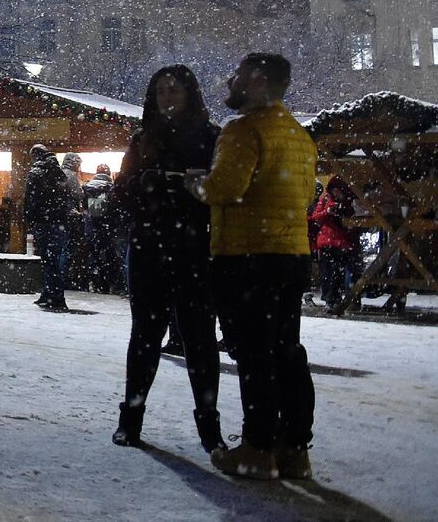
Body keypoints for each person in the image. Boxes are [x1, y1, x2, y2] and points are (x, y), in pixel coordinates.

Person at [195, 53, 317, 481]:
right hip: (291, 255)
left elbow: (226, 188)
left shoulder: (243, 130)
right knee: (287, 353)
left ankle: (256, 449)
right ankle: (294, 449)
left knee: (253, 355)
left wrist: (197, 184)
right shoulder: (298, 134)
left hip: (247, 256)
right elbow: (304, 198)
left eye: (239, 76)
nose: (230, 81)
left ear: (259, 81)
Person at [110, 64, 224, 453]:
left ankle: (210, 426)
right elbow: (119, 195)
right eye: (161, 91)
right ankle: (131, 418)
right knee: (144, 335)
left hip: (196, 250)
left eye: (174, 90)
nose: (167, 98)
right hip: (149, 249)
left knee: (200, 339)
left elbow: (227, 193)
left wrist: (201, 190)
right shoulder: (143, 140)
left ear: (191, 94)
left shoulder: (212, 138)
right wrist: (147, 183)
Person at [26, 146, 78, 311]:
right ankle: (50, 294)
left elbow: (30, 198)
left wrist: (29, 217)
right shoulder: (58, 172)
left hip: (43, 220)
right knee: (53, 259)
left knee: (48, 260)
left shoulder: (36, 172)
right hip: (58, 221)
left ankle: (55, 296)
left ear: (35, 156)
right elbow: (67, 195)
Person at [310, 177, 362, 311]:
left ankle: (337, 298)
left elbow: (353, 220)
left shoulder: (349, 201)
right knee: (329, 272)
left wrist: (343, 213)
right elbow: (315, 217)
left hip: (342, 243)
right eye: (334, 190)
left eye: (338, 190)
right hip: (328, 242)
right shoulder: (326, 199)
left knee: (339, 272)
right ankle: (330, 299)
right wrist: (327, 212)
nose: (336, 193)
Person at [82, 162, 125, 294]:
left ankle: (94, 282)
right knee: (110, 255)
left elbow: (84, 205)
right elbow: (115, 207)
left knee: (93, 254)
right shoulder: (111, 188)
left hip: (91, 226)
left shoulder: (87, 187)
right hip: (107, 227)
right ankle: (109, 284)